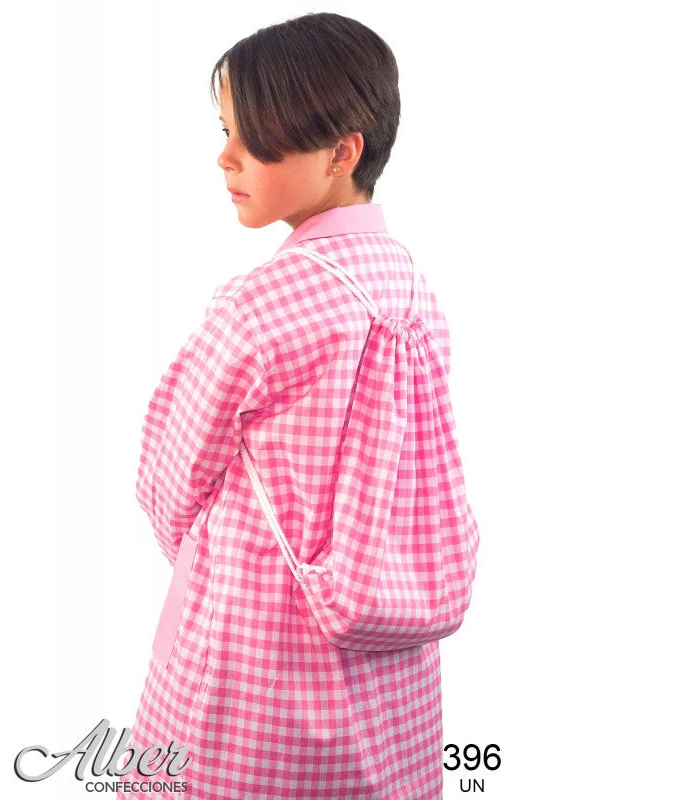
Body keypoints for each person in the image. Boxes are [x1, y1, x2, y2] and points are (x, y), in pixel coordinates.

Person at [118, 13, 478, 800]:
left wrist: (215, 559)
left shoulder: (261, 305)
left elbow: (169, 477)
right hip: (389, 668)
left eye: (255, 139)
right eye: (226, 132)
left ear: (342, 151)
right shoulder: (412, 287)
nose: (226, 158)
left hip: (252, 659)